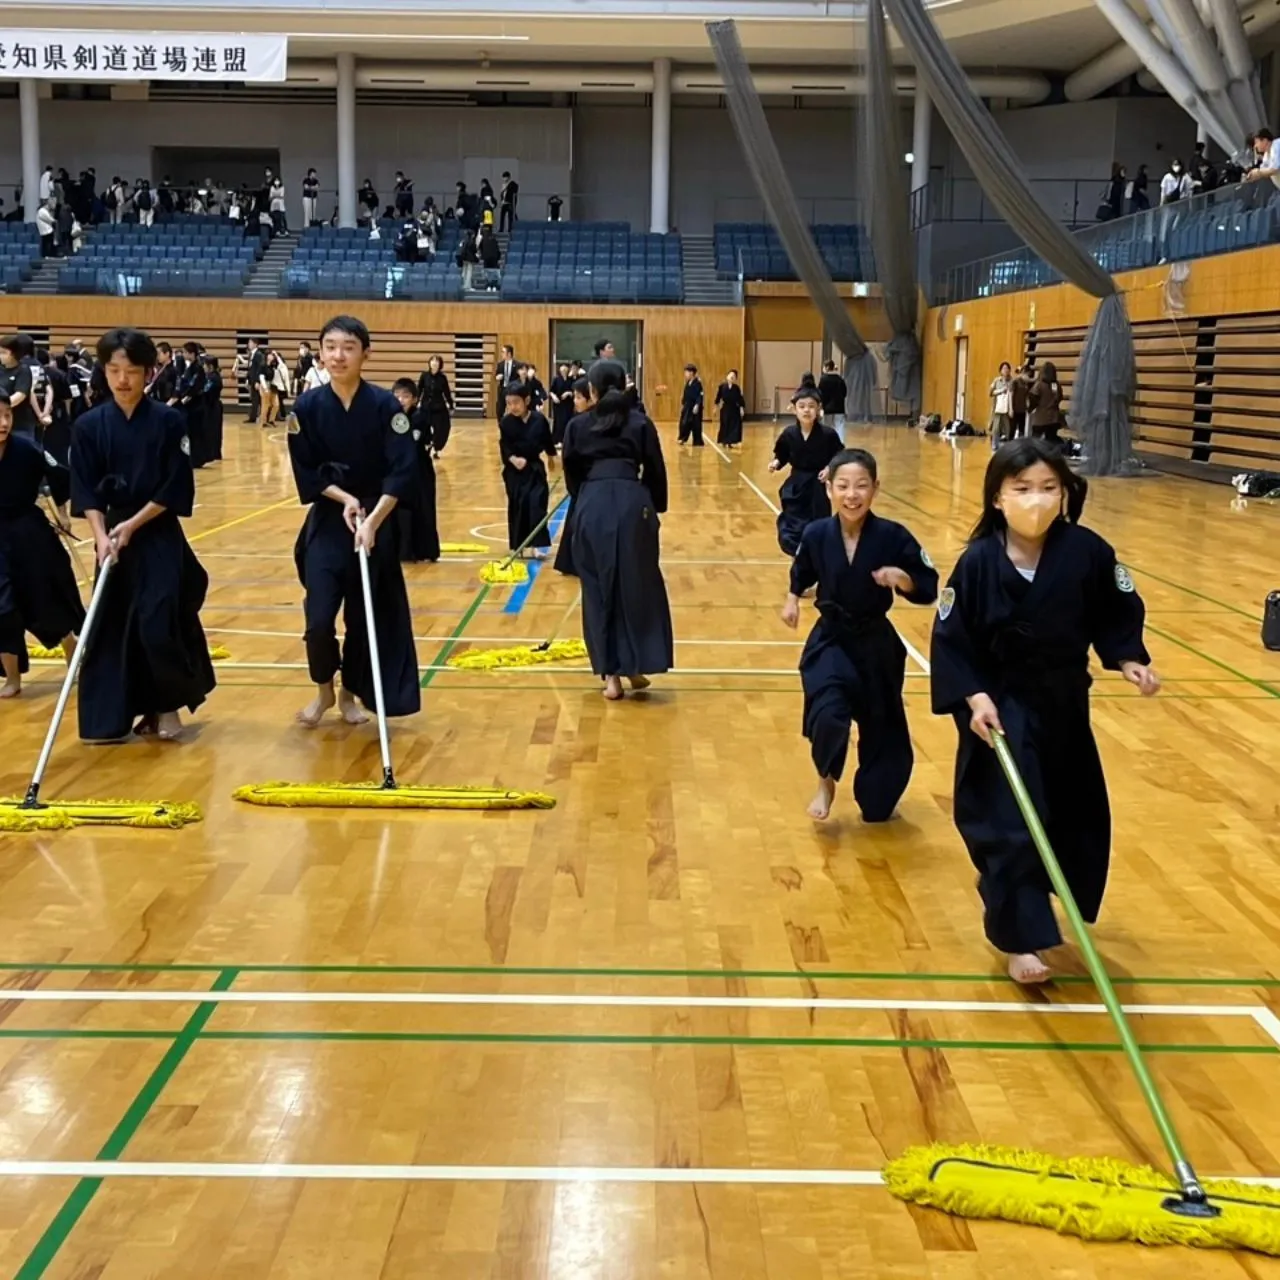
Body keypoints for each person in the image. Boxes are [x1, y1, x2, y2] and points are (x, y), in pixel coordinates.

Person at [930, 437, 1160, 985]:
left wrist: (1127, 656)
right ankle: (1020, 940)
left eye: (1048, 488)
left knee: (1065, 814)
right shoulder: (980, 562)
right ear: (997, 497)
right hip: (1001, 707)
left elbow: (1116, 608)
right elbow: (952, 638)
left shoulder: (1087, 552)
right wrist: (974, 695)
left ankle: (1045, 907)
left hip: (1063, 705)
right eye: (1022, 489)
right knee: (1009, 822)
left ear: (1065, 493)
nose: (1036, 500)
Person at [70, 327, 215, 742]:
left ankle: (166, 706)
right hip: (111, 540)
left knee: (157, 620)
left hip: (157, 533)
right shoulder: (88, 426)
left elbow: (175, 487)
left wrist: (132, 525)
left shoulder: (169, 421)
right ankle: (113, 716)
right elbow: (85, 489)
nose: (122, 380)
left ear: (148, 372)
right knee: (111, 626)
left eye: (131, 370)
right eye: (113, 370)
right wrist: (100, 536)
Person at [780, 448, 937, 822]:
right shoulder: (817, 533)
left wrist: (903, 579)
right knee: (828, 713)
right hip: (831, 639)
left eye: (861, 486)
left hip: (875, 644)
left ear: (875, 489)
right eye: (844, 486)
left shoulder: (893, 536)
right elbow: (801, 572)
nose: (852, 495)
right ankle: (826, 781)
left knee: (882, 725)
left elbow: (928, 585)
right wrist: (791, 601)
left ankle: (878, 792)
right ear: (829, 488)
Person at [288, 315, 421, 728]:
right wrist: (345, 499)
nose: (338, 355)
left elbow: (402, 470)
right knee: (319, 618)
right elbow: (307, 472)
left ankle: (348, 695)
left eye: (348, 346)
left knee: (365, 618)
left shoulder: (385, 406)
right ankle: (323, 690)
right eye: (330, 346)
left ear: (366, 352)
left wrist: (373, 520)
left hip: (376, 523)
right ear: (320, 351)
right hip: (329, 523)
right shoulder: (307, 407)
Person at [563, 359, 672, 700]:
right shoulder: (640, 423)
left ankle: (611, 676)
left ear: (591, 391)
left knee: (597, 591)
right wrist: (653, 508)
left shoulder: (577, 426)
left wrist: (586, 499)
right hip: (631, 505)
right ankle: (635, 663)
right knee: (636, 587)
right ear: (624, 386)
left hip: (592, 505)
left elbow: (572, 473)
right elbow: (655, 470)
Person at [0, 394, 84, 698]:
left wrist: (63, 515)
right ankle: (12, 678)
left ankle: (72, 654)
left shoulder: (27, 448)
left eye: (7, 415)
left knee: (48, 600)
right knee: (2, 611)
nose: (4, 422)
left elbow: (59, 475)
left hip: (28, 533)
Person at [769, 385, 843, 556]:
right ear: (794, 409)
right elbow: (783, 455)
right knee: (793, 523)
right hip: (796, 485)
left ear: (819, 409)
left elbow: (839, 455)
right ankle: (799, 554)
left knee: (818, 524)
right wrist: (776, 463)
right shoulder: (789, 434)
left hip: (818, 486)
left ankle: (817, 558)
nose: (806, 410)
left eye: (811, 406)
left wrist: (829, 469)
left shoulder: (828, 434)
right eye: (801, 406)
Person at [499, 380, 554, 558]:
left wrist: (553, 459)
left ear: (527, 400)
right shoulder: (506, 423)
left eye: (516, 402)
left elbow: (548, 442)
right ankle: (519, 545)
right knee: (518, 506)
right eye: (509, 403)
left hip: (534, 468)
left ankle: (537, 545)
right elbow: (505, 446)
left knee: (537, 505)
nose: (512, 407)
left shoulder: (539, 420)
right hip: (514, 471)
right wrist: (513, 459)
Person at [391, 378, 441, 564]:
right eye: (397, 395)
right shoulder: (390, 416)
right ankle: (402, 551)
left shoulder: (419, 417)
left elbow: (416, 443)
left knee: (424, 509)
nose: (401, 400)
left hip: (420, 471)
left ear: (414, 399)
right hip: (398, 470)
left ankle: (425, 550)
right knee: (399, 511)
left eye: (406, 396)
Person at [554, 375, 592, 578]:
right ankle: (572, 562)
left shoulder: (581, 424)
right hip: (580, 484)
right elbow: (568, 459)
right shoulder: (576, 423)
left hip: (587, 484)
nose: (575, 401)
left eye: (579, 397)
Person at [0, 335, 39, 439]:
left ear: (14, 353)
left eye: (4, 353)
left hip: (20, 426)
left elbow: (19, 395)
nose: (1, 356)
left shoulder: (23, 371)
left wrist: (2, 406)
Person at [177, 341, 209, 468]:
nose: (183, 355)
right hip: (189, 405)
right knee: (190, 432)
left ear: (191, 354)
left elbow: (195, 386)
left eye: (185, 352)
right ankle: (192, 457)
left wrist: (185, 397)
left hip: (196, 404)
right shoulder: (189, 367)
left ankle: (197, 459)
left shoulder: (198, 368)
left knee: (195, 433)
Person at [416, 355, 454, 457]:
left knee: (441, 429)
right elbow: (419, 389)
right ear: (429, 363)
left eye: (437, 361)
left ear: (440, 364)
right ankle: (427, 445)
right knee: (425, 428)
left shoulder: (442, 378)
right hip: (426, 407)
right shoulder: (424, 376)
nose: (434, 363)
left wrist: (451, 405)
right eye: (432, 361)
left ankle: (436, 448)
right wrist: (415, 402)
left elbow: (446, 392)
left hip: (438, 408)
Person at [1028, 361, 1063, 445]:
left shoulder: (1039, 384)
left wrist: (1030, 409)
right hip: (1054, 418)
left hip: (1040, 418)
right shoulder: (1056, 385)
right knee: (1051, 441)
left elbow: (1033, 397)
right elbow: (1059, 398)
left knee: (1035, 441)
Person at [714, 369, 746, 447]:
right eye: (730, 375)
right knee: (725, 425)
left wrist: (741, 409)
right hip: (725, 409)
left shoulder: (736, 388)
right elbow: (718, 397)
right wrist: (715, 408)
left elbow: (740, 399)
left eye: (734, 376)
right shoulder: (722, 386)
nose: (732, 377)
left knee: (733, 426)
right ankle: (724, 441)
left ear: (735, 379)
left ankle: (730, 441)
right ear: (727, 376)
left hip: (734, 409)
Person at [201, 355, 224, 463]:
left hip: (213, 406)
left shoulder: (213, 378)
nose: (203, 367)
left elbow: (205, 391)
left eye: (205, 365)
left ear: (210, 366)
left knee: (213, 431)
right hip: (210, 406)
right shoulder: (209, 376)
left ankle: (214, 453)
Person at [818, 360, 848, 439]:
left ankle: (827, 444)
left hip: (827, 408)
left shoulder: (823, 379)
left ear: (827, 367)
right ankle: (840, 445)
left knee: (827, 428)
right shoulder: (840, 379)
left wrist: (821, 406)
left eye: (823, 367)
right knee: (840, 427)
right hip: (839, 408)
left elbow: (821, 394)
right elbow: (844, 393)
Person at [548, 362, 574, 451]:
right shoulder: (556, 379)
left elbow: (573, 391)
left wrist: (568, 393)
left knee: (567, 421)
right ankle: (557, 441)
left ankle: (566, 441)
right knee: (558, 422)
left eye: (565, 369)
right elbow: (551, 391)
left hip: (568, 404)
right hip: (558, 404)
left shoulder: (571, 380)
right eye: (562, 369)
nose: (563, 370)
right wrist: (554, 396)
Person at [989, 361, 1015, 447]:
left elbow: (1011, 395)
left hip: (1006, 408)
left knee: (1007, 428)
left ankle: (1006, 445)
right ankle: (994, 444)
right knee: (995, 428)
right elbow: (991, 393)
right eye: (1004, 368)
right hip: (998, 408)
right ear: (1000, 370)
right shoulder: (996, 381)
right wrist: (1000, 391)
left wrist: (1011, 409)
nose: (1006, 370)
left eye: (1007, 368)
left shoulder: (1011, 381)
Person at [678, 364, 704, 447]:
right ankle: (683, 438)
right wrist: (683, 402)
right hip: (687, 406)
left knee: (696, 425)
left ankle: (697, 441)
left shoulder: (698, 383)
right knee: (684, 423)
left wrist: (697, 405)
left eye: (686, 372)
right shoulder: (688, 383)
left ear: (692, 373)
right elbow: (685, 394)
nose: (685, 374)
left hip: (695, 407)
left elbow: (700, 395)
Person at [494, 345, 516, 422]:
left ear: (509, 354)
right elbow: (496, 376)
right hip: (502, 389)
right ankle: (501, 425)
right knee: (499, 410)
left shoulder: (517, 364)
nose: (501, 354)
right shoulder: (500, 364)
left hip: (513, 391)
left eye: (503, 352)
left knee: (514, 409)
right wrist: (497, 377)